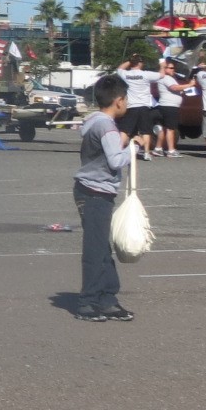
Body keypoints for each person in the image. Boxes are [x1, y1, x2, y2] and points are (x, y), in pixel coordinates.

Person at [73, 75, 134, 322]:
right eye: (126, 99)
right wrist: (133, 148)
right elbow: (115, 160)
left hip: (92, 190)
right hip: (95, 193)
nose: (127, 103)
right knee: (95, 249)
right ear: (118, 101)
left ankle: (108, 299)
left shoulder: (94, 121)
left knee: (101, 247)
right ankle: (87, 302)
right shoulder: (107, 126)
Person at [116, 55, 160, 160]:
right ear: (140, 63)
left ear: (132, 63)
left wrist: (129, 60)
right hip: (144, 106)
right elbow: (162, 75)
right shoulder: (146, 74)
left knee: (125, 130)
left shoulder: (126, 74)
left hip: (131, 106)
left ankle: (118, 150)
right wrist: (162, 64)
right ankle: (146, 153)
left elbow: (119, 69)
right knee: (146, 131)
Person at [153, 58, 189, 157]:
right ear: (165, 68)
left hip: (167, 105)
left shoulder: (168, 78)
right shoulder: (166, 78)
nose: (173, 69)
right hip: (169, 106)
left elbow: (175, 89)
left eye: (173, 68)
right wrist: (189, 85)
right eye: (171, 68)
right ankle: (171, 150)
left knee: (163, 128)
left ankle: (158, 148)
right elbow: (174, 87)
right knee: (170, 129)